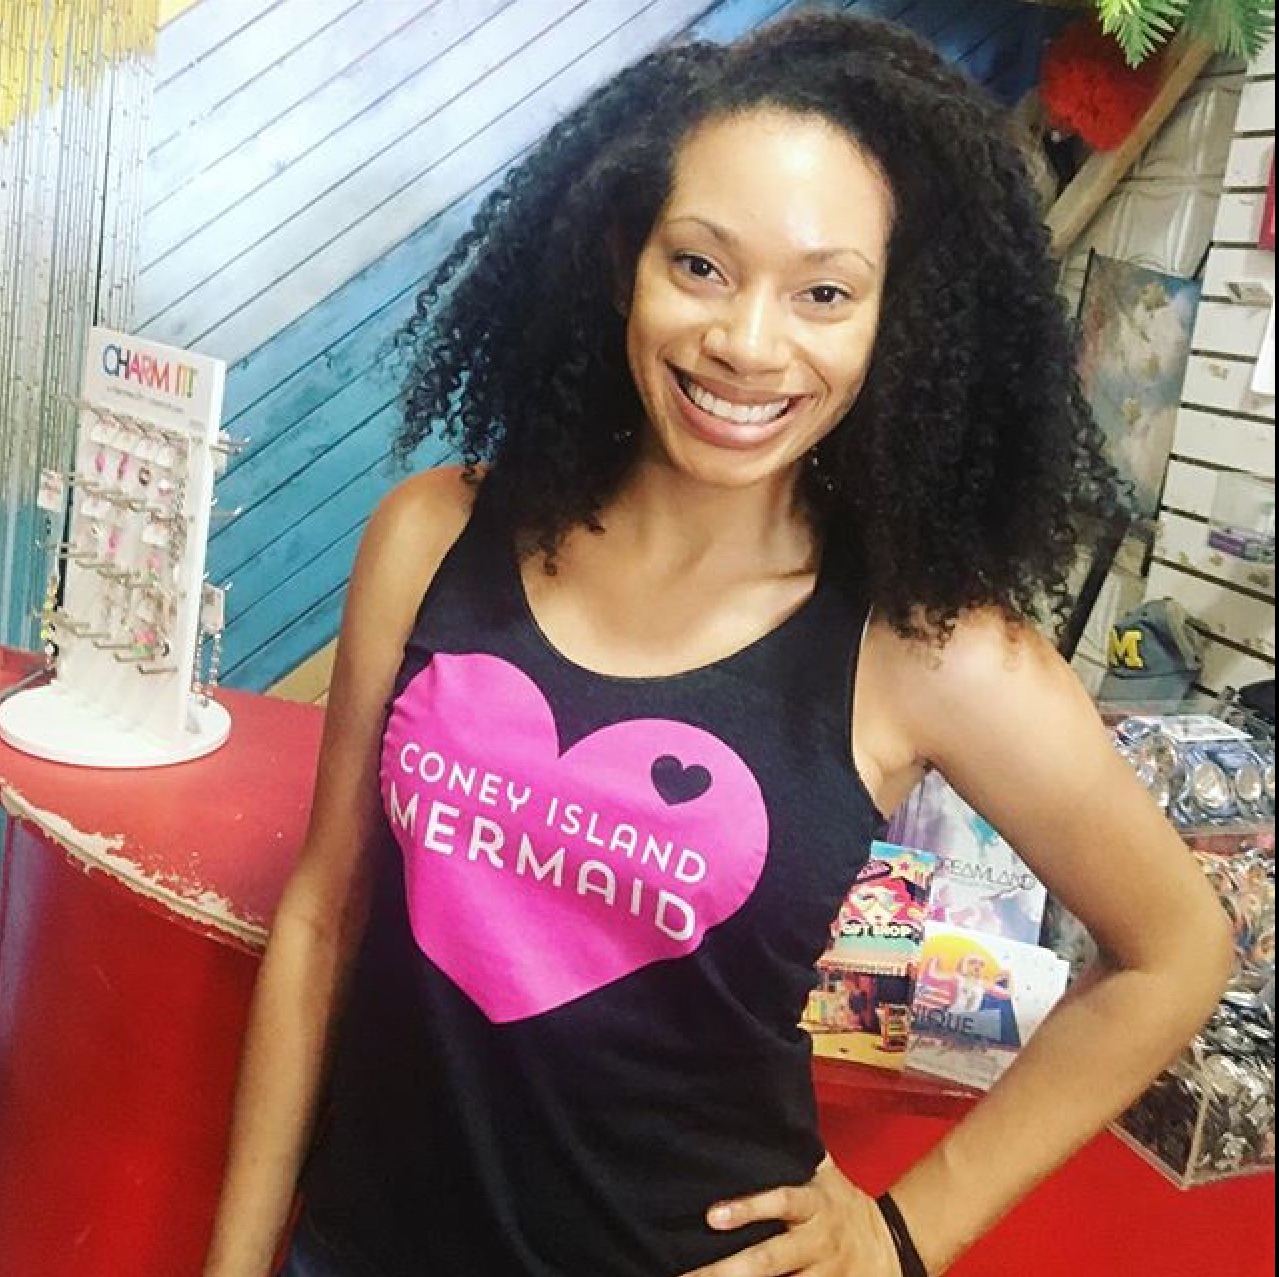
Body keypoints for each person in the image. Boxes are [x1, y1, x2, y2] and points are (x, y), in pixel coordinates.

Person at [202, 13, 1233, 1277]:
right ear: (619, 262)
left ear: (894, 320)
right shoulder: (432, 537)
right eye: (699, 265)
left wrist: (903, 1234)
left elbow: (1176, 950)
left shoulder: (923, 646)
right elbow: (324, 915)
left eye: (823, 293)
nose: (746, 341)